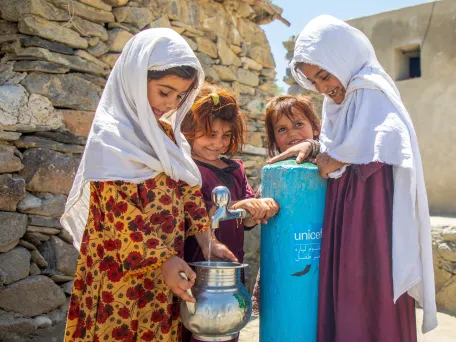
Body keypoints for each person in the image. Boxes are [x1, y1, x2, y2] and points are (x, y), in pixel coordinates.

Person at [267, 15, 438, 341]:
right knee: (345, 292)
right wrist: (320, 149)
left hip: (373, 217)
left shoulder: (371, 89)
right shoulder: (337, 104)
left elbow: (387, 140)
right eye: (313, 82)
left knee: (371, 294)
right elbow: (340, 148)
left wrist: (338, 159)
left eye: (324, 74)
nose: (323, 87)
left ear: (342, 57)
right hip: (345, 215)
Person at [60, 28, 236, 342]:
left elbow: (188, 191)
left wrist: (208, 241)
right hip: (119, 277)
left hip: (163, 277)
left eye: (180, 96)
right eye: (163, 91)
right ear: (133, 78)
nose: (169, 104)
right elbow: (120, 215)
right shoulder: (111, 139)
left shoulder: (167, 136)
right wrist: (164, 260)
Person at [180, 86, 279, 342]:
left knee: (227, 325)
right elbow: (194, 211)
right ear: (189, 130)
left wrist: (255, 209)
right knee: (195, 326)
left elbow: (245, 218)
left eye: (225, 135)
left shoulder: (235, 168)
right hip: (196, 264)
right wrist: (238, 206)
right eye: (210, 135)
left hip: (231, 267)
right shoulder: (184, 168)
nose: (219, 143)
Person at [251, 94, 321, 316]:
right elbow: (257, 207)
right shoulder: (274, 172)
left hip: (321, 262)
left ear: (316, 128)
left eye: (299, 124)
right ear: (273, 139)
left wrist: (314, 147)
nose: (291, 133)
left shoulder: (327, 162)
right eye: (281, 129)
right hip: (282, 266)